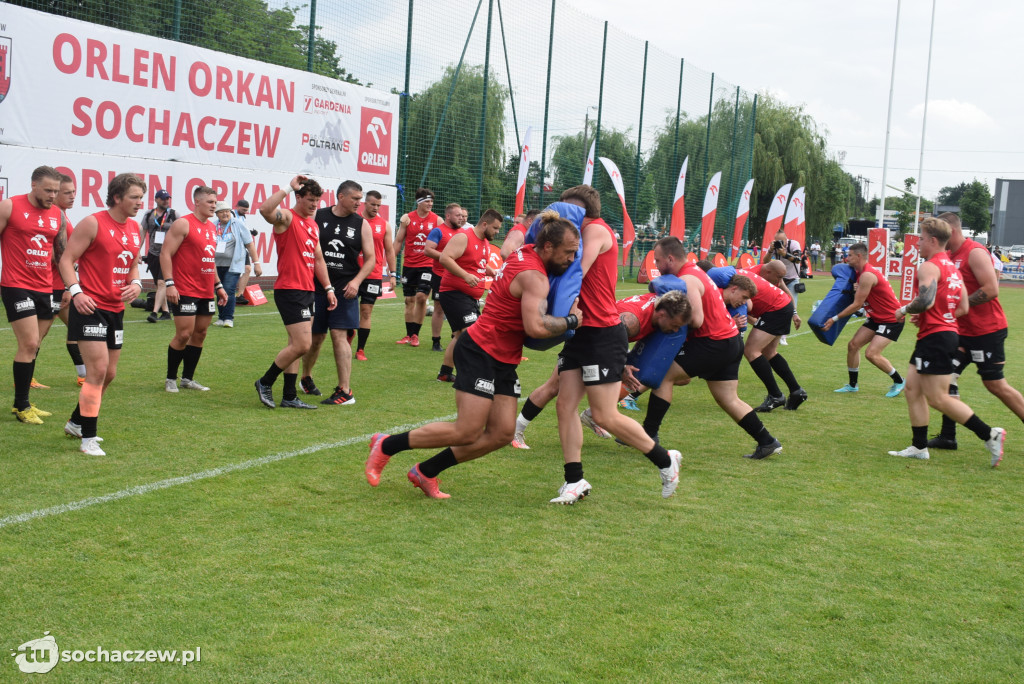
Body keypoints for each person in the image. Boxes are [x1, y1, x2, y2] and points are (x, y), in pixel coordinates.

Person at [363, 211, 584, 499]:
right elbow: (536, 327)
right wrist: (572, 321)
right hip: (481, 349)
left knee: (503, 433)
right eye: (568, 253)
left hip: (504, 357)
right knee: (467, 429)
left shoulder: (525, 251)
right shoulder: (534, 276)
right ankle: (386, 444)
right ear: (548, 248)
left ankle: (426, 471)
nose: (571, 260)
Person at [547, 185, 683, 504]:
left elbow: (576, 270)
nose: (561, 217)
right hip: (582, 331)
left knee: (604, 415)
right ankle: (574, 481)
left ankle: (666, 461)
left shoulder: (596, 230)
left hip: (602, 333)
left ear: (581, 211)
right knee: (564, 406)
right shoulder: (579, 235)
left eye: (567, 210)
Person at [640, 236, 782, 459]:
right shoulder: (697, 273)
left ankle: (648, 435)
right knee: (728, 399)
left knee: (664, 376)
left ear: (670, 258)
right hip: (731, 341)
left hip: (713, 342)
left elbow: (696, 320)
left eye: (657, 261)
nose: (656, 266)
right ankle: (767, 441)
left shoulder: (688, 278)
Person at [887, 217, 1005, 466]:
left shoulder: (929, 266)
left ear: (932, 240)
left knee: (938, 398)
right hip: (942, 333)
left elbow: (926, 300)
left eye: (920, 238)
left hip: (936, 338)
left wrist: (904, 310)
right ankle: (919, 446)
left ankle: (989, 434)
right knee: (912, 389)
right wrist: (935, 315)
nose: (917, 243)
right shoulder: (952, 266)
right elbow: (962, 306)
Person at [511, 289, 692, 448]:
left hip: (600, 340)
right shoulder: (632, 321)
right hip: (589, 339)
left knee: (627, 378)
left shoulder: (660, 302)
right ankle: (516, 431)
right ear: (662, 315)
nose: (675, 331)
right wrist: (620, 366)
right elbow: (611, 335)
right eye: (674, 325)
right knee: (554, 387)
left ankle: (591, 416)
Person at [59, 173, 146, 455]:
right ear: (117, 197)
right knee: (96, 371)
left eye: (141, 197)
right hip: (89, 307)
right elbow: (66, 259)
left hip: (115, 310)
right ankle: (88, 438)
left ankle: (76, 422)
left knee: (109, 373)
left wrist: (135, 282)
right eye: (134, 197)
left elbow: (132, 264)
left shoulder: (135, 228)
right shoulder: (93, 222)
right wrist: (76, 291)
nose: (139, 203)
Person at [928, 213, 1024, 454]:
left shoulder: (975, 252)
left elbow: (991, 290)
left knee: (995, 385)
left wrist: (958, 307)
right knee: (945, 378)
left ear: (950, 229)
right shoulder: (947, 256)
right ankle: (948, 437)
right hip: (961, 332)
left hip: (986, 331)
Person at [254, 176, 337, 409]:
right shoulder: (288, 218)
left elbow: (318, 259)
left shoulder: (313, 224)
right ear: (298, 197)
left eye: (318, 201)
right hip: (290, 290)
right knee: (302, 344)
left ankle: (289, 395)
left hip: (308, 290)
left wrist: (328, 288)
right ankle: (265, 381)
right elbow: (264, 210)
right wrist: (288, 187)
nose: (314, 205)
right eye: (310, 200)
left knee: (295, 344)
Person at [299, 180, 375, 405]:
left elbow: (371, 259)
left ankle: (345, 390)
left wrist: (356, 282)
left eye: (360, 200)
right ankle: (306, 377)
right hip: (316, 287)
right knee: (315, 337)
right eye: (355, 199)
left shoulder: (362, 224)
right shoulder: (319, 216)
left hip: (345, 290)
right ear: (341, 197)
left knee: (339, 334)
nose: (358, 203)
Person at [0, 165, 63, 423]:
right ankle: (21, 406)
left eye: (56, 191)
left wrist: (71, 286)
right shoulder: (9, 206)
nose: (52, 195)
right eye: (48, 190)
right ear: (33, 185)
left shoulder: (57, 214)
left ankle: (24, 402)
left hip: (45, 287)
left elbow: (61, 253)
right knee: (28, 344)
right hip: (16, 284)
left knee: (34, 345)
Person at [160, 186, 228, 392]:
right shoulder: (183, 224)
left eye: (215, 202)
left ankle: (187, 379)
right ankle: (171, 378)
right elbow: (165, 253)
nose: (214, 206)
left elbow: (209, 260)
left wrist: (219, 286)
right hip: (185, 289)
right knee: (183, 334)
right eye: (210, 202)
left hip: (206, 290)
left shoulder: (212, 227)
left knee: (200, 333)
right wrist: (170, 284)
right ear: (196, 202)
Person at [824, 242, 905, 397]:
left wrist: (834, 318)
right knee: (853, 345)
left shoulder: (867, 275)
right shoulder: (860, 274)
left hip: (892, 319)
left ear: (859, 256)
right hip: (876, 317)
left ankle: (899, 381)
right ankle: (853, 385)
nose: (846, 258)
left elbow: (857, 305)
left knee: (872, 354)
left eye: (850, 255)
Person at [436, 209, 503, 382]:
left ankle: (445, 373)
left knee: (460, 335)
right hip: (454, 293)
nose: (497, 232)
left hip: (469, 296)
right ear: (485, 224)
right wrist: (465, 276)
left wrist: (492, 272)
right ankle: (471, 374)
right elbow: (445, 258)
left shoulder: (485, 242)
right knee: (471, 333)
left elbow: (477, 264)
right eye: (495, 228)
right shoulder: (464, 237)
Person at [37, 173, 87, 387]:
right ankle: (26, 377)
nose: (72, 196)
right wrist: (69, 286)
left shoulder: (62, 216)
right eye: (66, 193)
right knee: (37, 336)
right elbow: (56, 256)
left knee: (78, 326)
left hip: (62, 286)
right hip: (53, 287)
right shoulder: (55, 217)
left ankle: (83, 375)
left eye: (73, 192)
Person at [738, 261, 807, 412]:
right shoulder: (750, 274)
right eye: (779, 277)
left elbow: (743, 305)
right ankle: (797, 391)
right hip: (777, 308)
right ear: (768, 272)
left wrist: (794, 313)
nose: (779, 281)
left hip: (775, 309)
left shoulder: (751, 276)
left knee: (751, 351)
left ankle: (776, 395)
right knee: (769, 353)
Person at [394, 188, 439, 346]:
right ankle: (408, 334)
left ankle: (415, 335)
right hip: (409, 265)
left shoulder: (437, 220)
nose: (430, 204)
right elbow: (399, 241)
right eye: (427, 201)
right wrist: (391, 265)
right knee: (409, 300)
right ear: (419, 202)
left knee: (421, 297)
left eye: (431, 201)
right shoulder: (407, 219)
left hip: (427, 265)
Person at [355, 190, 396, 361]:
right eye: (373, 204)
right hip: (352, 274)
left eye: (379, 205)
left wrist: (393, 274)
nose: (376, 208)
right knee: (348, 311)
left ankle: (360, 349)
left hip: (374, 274)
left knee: (366, 311)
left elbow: (389, 250)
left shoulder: (384, 224)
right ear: (365, 203)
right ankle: (347, 335)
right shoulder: (354, 220)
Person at [423, 203, 466, 353]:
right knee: (439, 308)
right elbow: (428, 250)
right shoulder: (438, 231)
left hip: (459, 276)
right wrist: (446, 258)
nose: (461, 218)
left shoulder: (464, 233)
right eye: (457, 215)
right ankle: (436, 341)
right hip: (440, 275)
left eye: (462, 215)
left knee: (459, 308)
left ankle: (457, 338)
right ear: (448, 216)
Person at [213, 200, 261, 328]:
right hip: (215, 265)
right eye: (221, 212)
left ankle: (228, 318)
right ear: (216, 214)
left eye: (227, 211)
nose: (225, 214)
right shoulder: (212, 225)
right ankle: (221, 317)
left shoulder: (238, 224)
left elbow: (249, 244)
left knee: (228, 289)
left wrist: (256, 263)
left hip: (233, 265)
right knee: (219, 290)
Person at [141, 189, 175, 323]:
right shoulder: (149, 214)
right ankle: (166, 312)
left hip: (168, 254)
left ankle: (154, 312)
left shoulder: (174, 215)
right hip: (153, 253)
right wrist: (138, 251)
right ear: (156, 199)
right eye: (163, 198)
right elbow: (143, 232)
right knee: (158, 284)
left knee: (162, 282)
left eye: (168, 198)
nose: (166, 201)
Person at [234, 199, 257, 304]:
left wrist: (251, 232)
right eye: (243, 210)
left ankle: (240, 295)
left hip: (243, 246)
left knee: (247, 268)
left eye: (246, 210)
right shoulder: (230, 214)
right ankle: (226, 293)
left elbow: (243, 229)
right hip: (233, 247)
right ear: (237, 206)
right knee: (232, 271)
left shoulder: (243, 217)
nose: (245, 212)